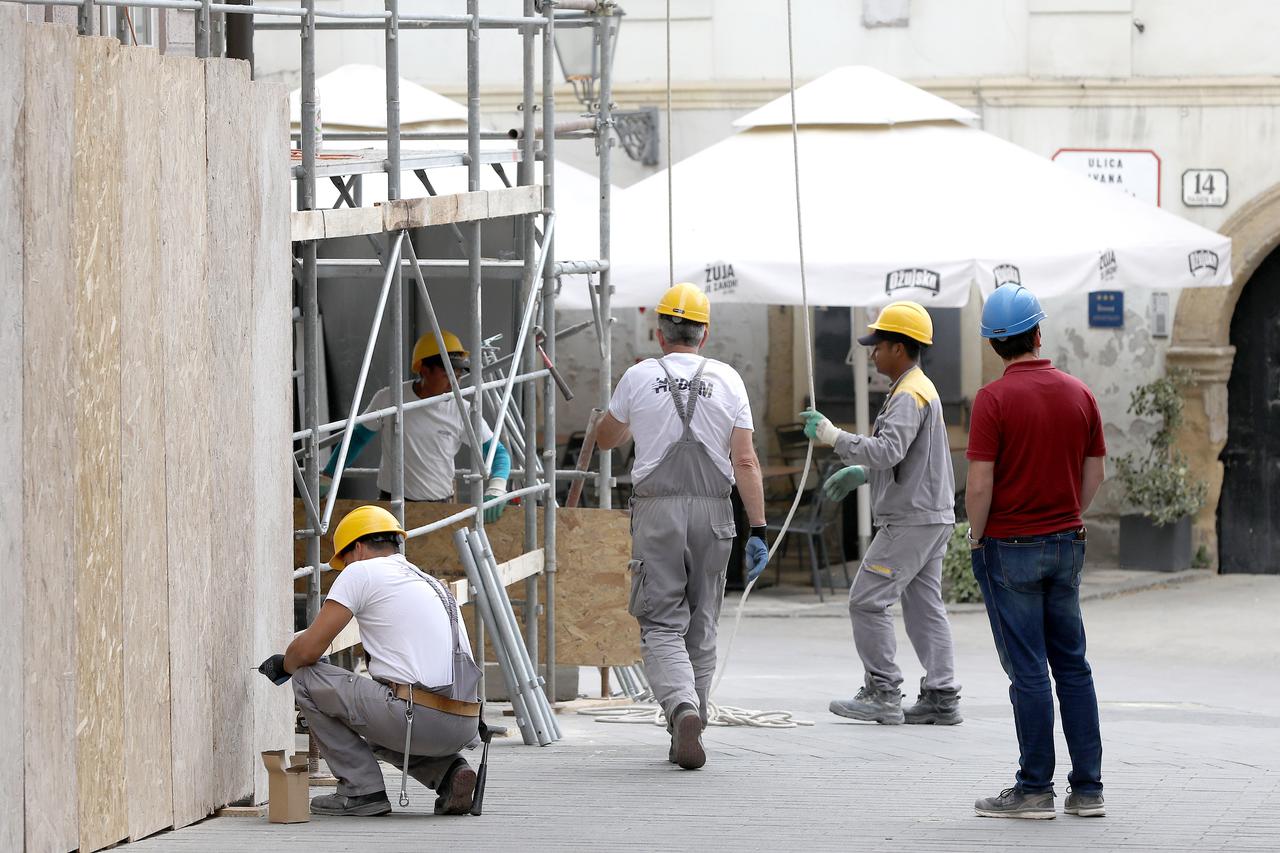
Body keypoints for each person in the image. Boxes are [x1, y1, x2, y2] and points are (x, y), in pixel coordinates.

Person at [595, 282, 769, 770]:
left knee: (660, 622)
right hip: (715, 513)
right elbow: (746, 462)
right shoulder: (730, 380)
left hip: (657, 512)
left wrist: (629, 413)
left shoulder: (639, 377)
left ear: (660, 332)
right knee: (703, 621)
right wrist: (758, 529)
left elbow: (606, 439)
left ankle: (682, 708)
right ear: (704, 334)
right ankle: (691, 725)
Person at [965, 284, 1107, 820]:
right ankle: (1088, 789)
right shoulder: (1079, 393)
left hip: (1009, 546)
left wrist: (978, 535)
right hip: (1066, 541)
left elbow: (980, 485)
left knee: (1027, 670)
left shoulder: (993, 400)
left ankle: (1033, 790)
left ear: (993, 345)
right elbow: (1095, 473)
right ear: (1039, 332)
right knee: (1073, 666)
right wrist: (1068, 510)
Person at [257, 505, 483, 816]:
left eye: (344, 559)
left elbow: (309, 651)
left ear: (359, 548)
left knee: (307, 678)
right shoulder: (428, 580)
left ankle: (360, 791)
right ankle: (450, 774)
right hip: (464, 723)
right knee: (371, 716)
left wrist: (284, 663)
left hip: (417, 717)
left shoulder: (361, 571)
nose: (344, 567)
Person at [801, 301, 961, 726]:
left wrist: (834, 436)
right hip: (931, 516)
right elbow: (912, 460)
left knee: (867, 601)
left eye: (878, 346)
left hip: (910, 519)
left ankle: (882, 690)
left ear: (898, 347)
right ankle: (942, 696)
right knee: (925, 607)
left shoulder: (909, 394)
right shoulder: (918, 387)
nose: (872, 354)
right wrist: (864, 471)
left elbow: (890, 450)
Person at [322, 330, 511, 522]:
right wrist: (329, 476)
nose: (455, 384)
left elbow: (499, 453)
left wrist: (496, 488)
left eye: (459, 376)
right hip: (390, 505)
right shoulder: (389, 398)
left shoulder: (463, 410)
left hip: (439, 507)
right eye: (447, 375)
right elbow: (358, 438)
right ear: (424, 370)